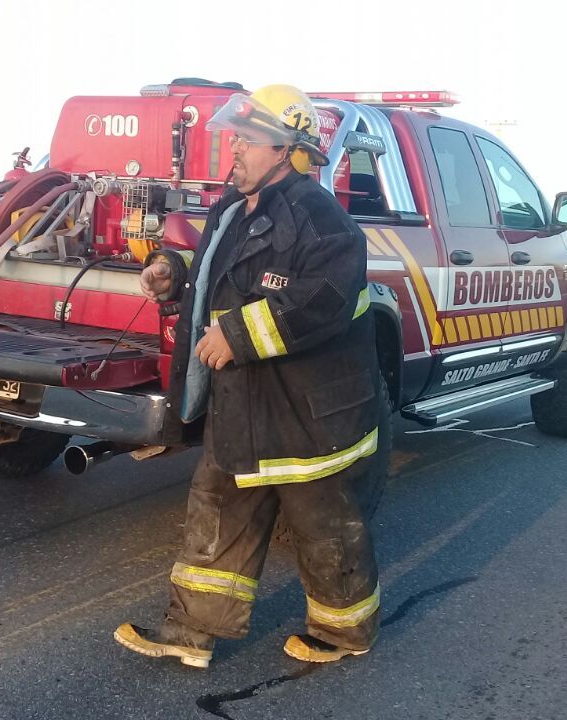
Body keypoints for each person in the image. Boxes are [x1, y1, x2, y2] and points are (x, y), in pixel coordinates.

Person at [113, 85, 386, 669]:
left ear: (286, 149)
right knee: (216, 513)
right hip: (241, 404)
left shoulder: (322, 219)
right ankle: (190, 632)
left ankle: (344, 633)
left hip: (306, 417)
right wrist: (174, 275)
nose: (233, 147)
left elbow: (324, 302)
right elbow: (229, 276)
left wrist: (235, 336)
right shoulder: (232, 210)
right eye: (235, 135)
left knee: (324, 528)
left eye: (248, 138)